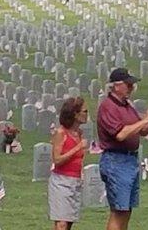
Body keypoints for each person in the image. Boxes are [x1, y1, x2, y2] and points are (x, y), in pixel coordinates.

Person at [97, 68, 148, 230]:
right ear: (116, 86)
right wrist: (146, 118)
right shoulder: (108, 107)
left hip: (130, 160)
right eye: (128, 84)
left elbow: (142, 131)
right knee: (118, 211)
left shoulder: (127, 106)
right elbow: (120, 134)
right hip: (116, 160)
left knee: (127, 210)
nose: (131, 88)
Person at [48, 97, 89, 230]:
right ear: (75, 114)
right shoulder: (61, 133)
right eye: (85, 111)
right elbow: (57, 160)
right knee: (61, 224)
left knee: (69, 222)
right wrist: (77, 148)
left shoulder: (79, 133)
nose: (87, 114)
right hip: (61, 181)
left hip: (75, 180)